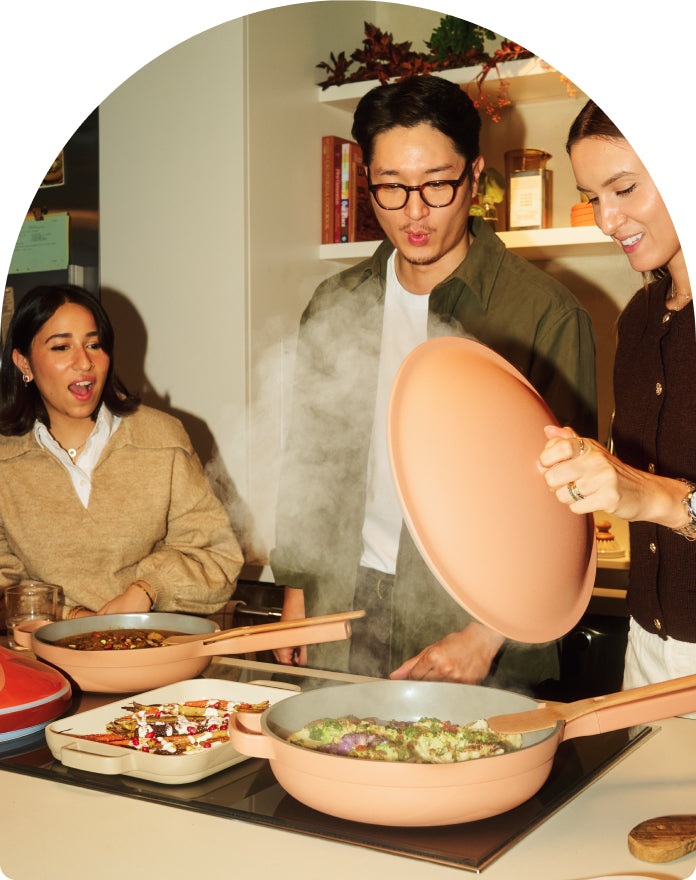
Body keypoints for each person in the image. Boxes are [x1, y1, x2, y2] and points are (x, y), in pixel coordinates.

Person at [271, 75, 597, 694]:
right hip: (344, 604)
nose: (414, 212)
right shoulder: (337, 302)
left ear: (474, 176)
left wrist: (485, 635)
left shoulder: (542, 314)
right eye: (391, 188)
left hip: (477, 618)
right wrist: (296, 597)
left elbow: (567, 505)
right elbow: (309, 462)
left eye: (437, 185)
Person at [539, 99, 695, 691]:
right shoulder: (640, 319)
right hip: (647, 651)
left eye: (624, 188)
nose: (607, 220)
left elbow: (655, 496)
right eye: (593, 196)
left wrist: (659, 500)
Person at [0, 283, 243, 620]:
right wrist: (71, 618)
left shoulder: (161, 439)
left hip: (156, 656)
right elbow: (5, 588)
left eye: (94, 344)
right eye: (61, 347)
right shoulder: (5, 461)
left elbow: (218, 557)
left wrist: (147, 590)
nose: (84, 361)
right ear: (23, 362)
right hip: (48, 664)